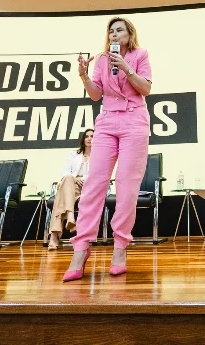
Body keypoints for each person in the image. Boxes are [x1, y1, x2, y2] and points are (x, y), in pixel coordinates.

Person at [63, 17, 153, 282]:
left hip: (135, 120)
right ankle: (81, 248)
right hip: (107, 121)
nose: (114, 34)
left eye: (119, 30)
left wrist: (126, 67)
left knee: (127, 186)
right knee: (94, 184)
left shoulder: (140, 55)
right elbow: (95, 94)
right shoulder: (102, 59)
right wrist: (83, 75)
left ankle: (120, 246)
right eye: (111, 31)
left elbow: (146, 89)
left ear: (129, 34)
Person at [47, 129, 93, 250]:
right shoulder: (74, 154)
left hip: (87, 188)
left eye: (92, 136)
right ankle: (70, 216)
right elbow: (65, 172)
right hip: (72, 185)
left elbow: (97, 174)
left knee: (60, 198)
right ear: (83, 139)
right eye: (87, 136)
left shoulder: (99, 156)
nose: (89, 138)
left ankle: (54, 237)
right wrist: (74, 178)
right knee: (67, 178)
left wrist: (83, 180)